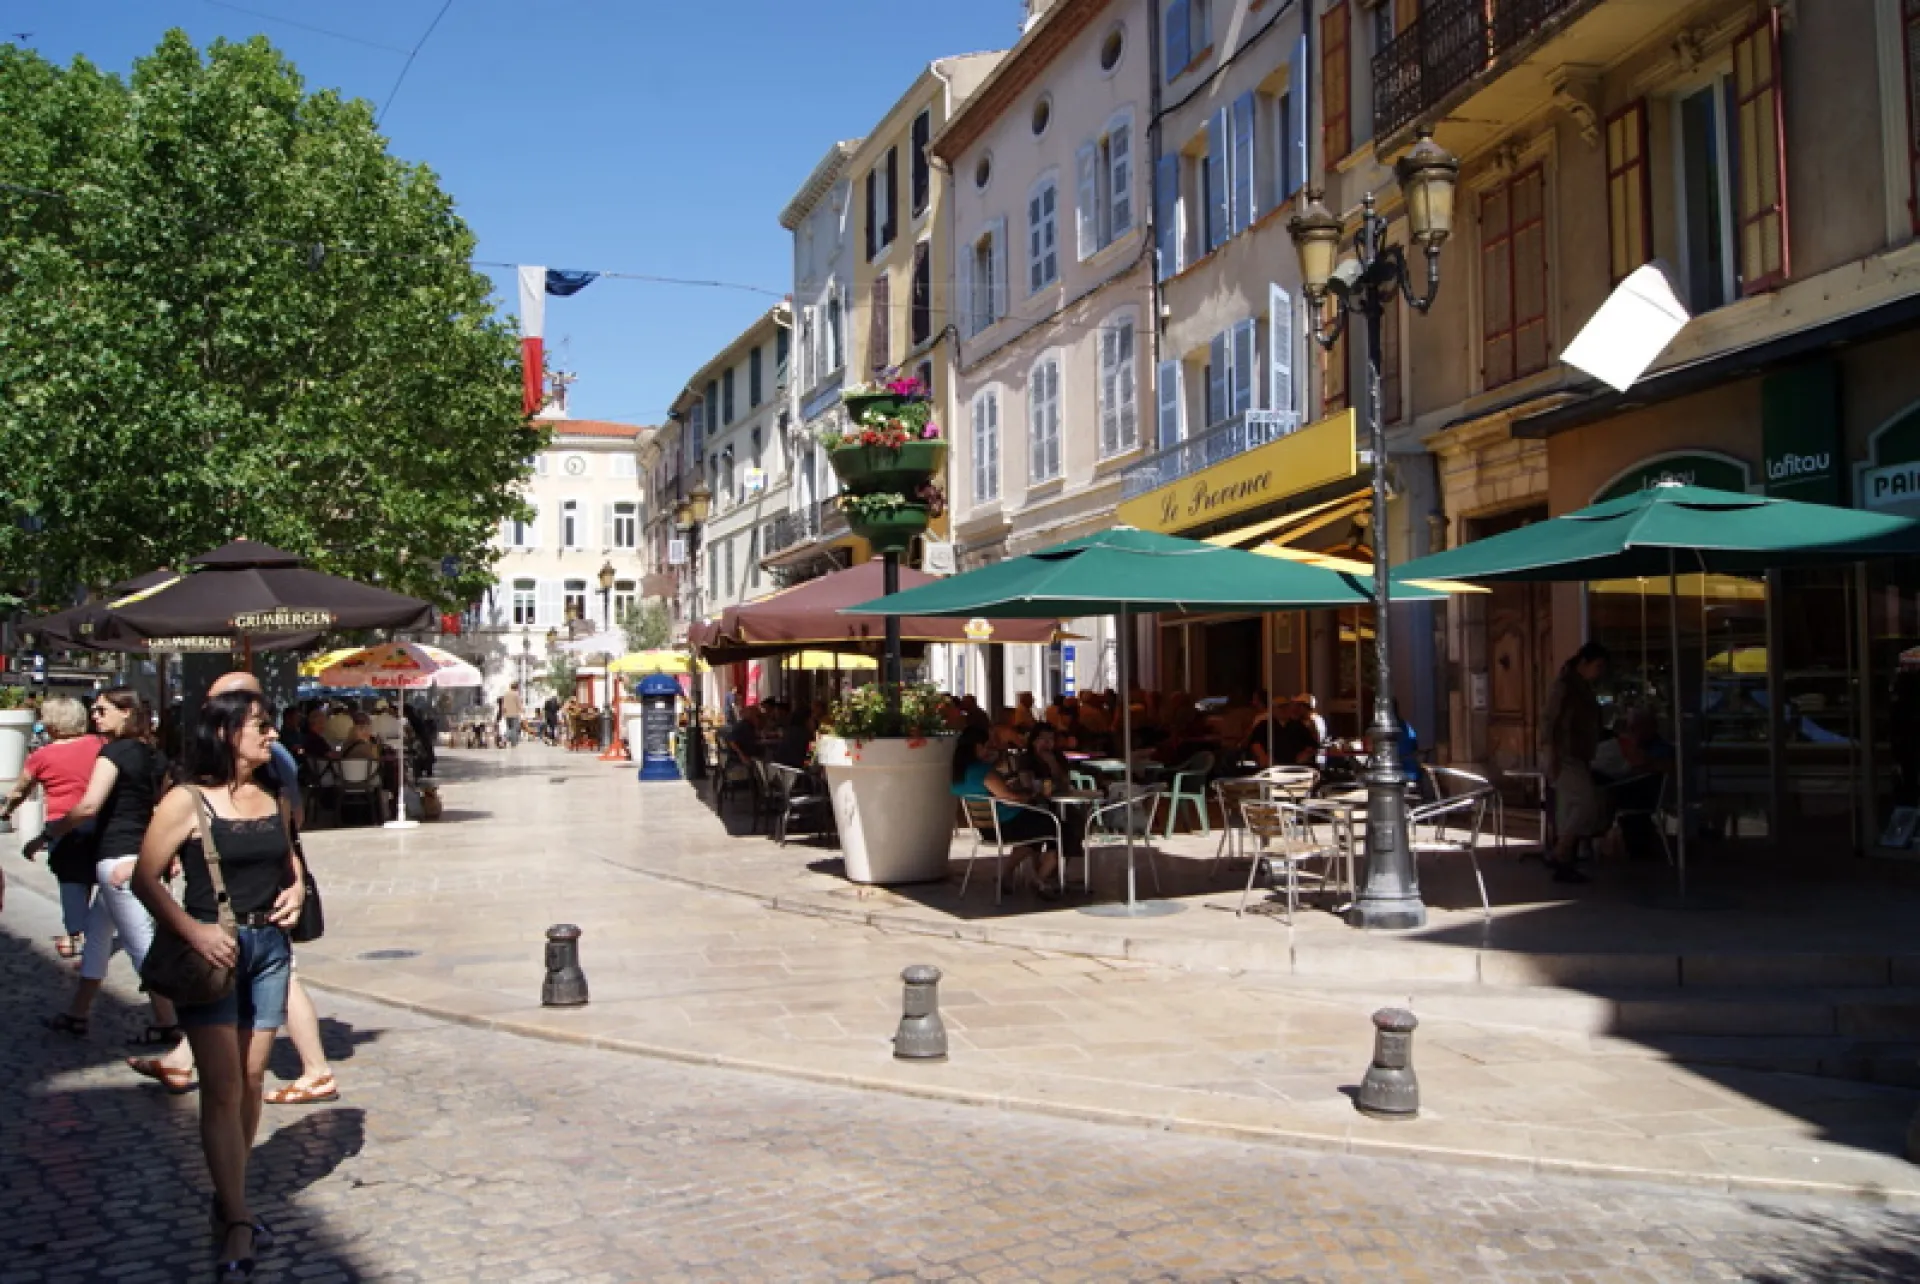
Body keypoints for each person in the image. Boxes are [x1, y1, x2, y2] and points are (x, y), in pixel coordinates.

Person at [133, 689, 305, 1282]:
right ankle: (235, 1215)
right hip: (212, 954)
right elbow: (145, 878)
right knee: (224, 1087)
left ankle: (229, 1193)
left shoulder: (275, 795)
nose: (272, 736)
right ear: (226, 732)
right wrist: (195, 931)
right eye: (261, 726)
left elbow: (291, 857)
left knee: (253, 1077)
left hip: (269, 950)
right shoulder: (187, 801)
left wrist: (299, 889)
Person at [40, 689, 180, 1046]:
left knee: (140, 944)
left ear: (126, 713)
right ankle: (77, 1013)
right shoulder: (155, 756)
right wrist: (168, 855)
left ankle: (171, 1022)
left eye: (102, 710)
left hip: (117, 858)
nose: (95, 716)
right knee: (98, 936)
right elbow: (163, 811)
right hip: (141, 856)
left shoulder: (112, 752)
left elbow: (89, 806)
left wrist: (54, 830)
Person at [3, 696, 103, 959]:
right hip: (100, 819)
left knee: (71, 881)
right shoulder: (100, 745)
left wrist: (7, 810)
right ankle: (90, 929)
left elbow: (20, 790)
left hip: (63, 824)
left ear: (52, 724)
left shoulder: (41, 756)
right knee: (92, 875)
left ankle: (74, 936)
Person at [950, 726, 1060, 899]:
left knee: (1039, 825)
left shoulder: (958, 773)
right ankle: (1039, 878)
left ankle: (1010, 875)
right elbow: (1009, 797)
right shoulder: (982, 772)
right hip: (1004, 825)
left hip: (984, 828)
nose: (989, 749)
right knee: (1053, 825)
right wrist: (1029, 795)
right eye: (986, 745)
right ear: (977, 747)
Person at [1543, 642, 1611, 885]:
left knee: (1570, 806)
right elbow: (1551, 722)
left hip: (1577, 753)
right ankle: (1562, 850)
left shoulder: (1580, 687)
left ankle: (1564, 862)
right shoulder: (1566, 686)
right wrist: (1552, 755)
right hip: (1565, 754)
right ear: (1584, 663)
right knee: (1585, 802)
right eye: (1597, 666)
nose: (1599, 671)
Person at [498, 682, 524, 747]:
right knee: (513, 729)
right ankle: (504, 740)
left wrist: (503, 713)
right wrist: (522, 710)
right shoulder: (516, 694)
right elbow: (519, 704)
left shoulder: (506, 694)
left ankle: (513, 743)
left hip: (507, 714)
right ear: (517, 687)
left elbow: (503, 705)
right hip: (514, 714)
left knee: (509, 728)